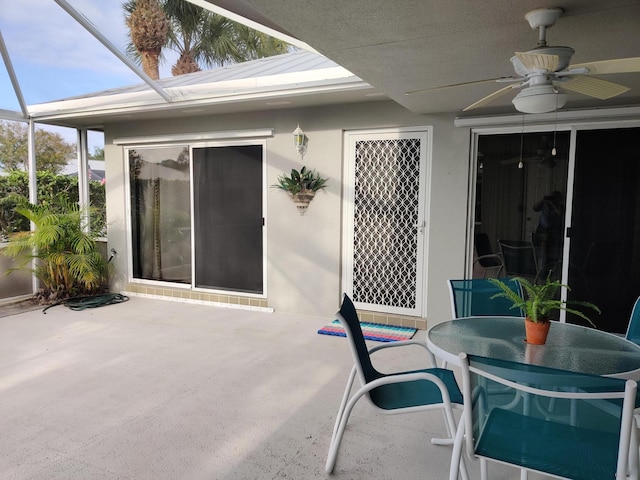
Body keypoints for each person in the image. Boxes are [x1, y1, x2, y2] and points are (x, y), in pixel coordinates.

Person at [533, 191, 564, 275]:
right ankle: (540, 270)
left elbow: (559, 213)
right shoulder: (545, 204)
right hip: (542, 230)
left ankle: (550, 271)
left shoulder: (560, 206)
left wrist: (552, 204)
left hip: (553, 232)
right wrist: (543, 201)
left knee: (551, 254)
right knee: (541, 253)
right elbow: (535, 208)